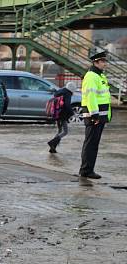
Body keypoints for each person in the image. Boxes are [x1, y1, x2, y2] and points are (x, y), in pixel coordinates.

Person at [78, 50, 112, 181]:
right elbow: (91, 96)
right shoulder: (92, 76)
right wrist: (94, 115)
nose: (105, 64)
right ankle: (86, 170)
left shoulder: (99, 76)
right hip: (94, 116)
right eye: (103, 61)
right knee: (90, 144)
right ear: (96, 62)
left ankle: (88, 169)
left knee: (93, 143)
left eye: (105, 61)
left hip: (100, 116)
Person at [47, 81, 78, 153]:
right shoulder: (67, 94)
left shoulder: (60, 91)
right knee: (65, 132)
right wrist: (72, 113)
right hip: (62, 115)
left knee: (59, 131)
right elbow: (67, 105)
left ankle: (52, 148)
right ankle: (52, 142)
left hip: (56, 113)